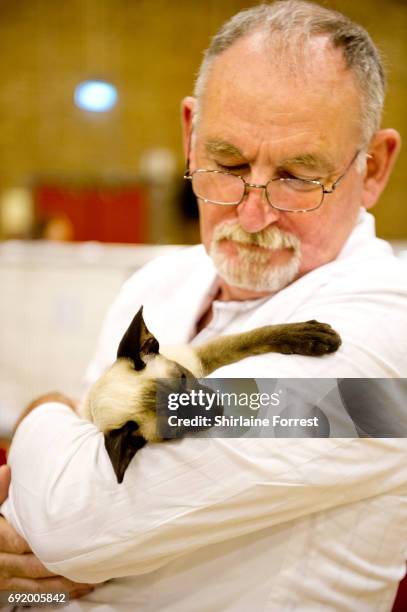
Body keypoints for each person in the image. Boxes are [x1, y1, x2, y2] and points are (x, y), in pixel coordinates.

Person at [1, 1, 407, 610]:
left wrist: (42, 411)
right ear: (190, 135)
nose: (252, 213)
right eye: (227, 163)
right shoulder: (159, 281)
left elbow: (68, 525)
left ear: (371, 168)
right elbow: (49, 554)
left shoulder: (381, 351)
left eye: (298, 175)